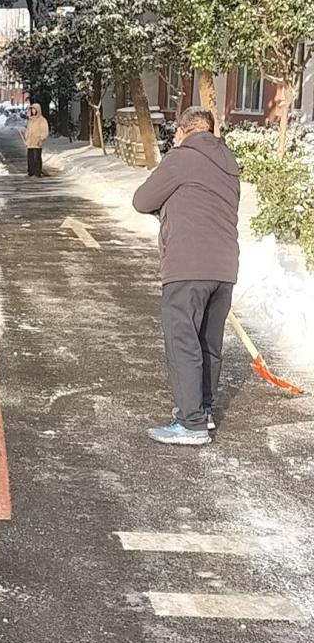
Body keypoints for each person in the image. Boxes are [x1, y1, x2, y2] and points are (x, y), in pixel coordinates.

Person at [132, 106, 240, 446]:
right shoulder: (229, 163)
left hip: (187, 266)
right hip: (224, 268)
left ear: (183, 131)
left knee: (183, 342)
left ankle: (190, 423)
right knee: (209, 343)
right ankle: (203, 410)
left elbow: (142, 200)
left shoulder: (181, 158)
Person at [23, 102, 49, 177]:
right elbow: (28, 130)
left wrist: (41, 138)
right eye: (32, 109)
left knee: (37, 157)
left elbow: (45, 131)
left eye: (34, 109)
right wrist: (26, 137)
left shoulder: (42, 120)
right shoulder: (30, 120)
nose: (33, 111)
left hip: (37, 142)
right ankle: (31, 172)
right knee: (30, 158)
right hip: (30, 142)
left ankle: (37, 172)